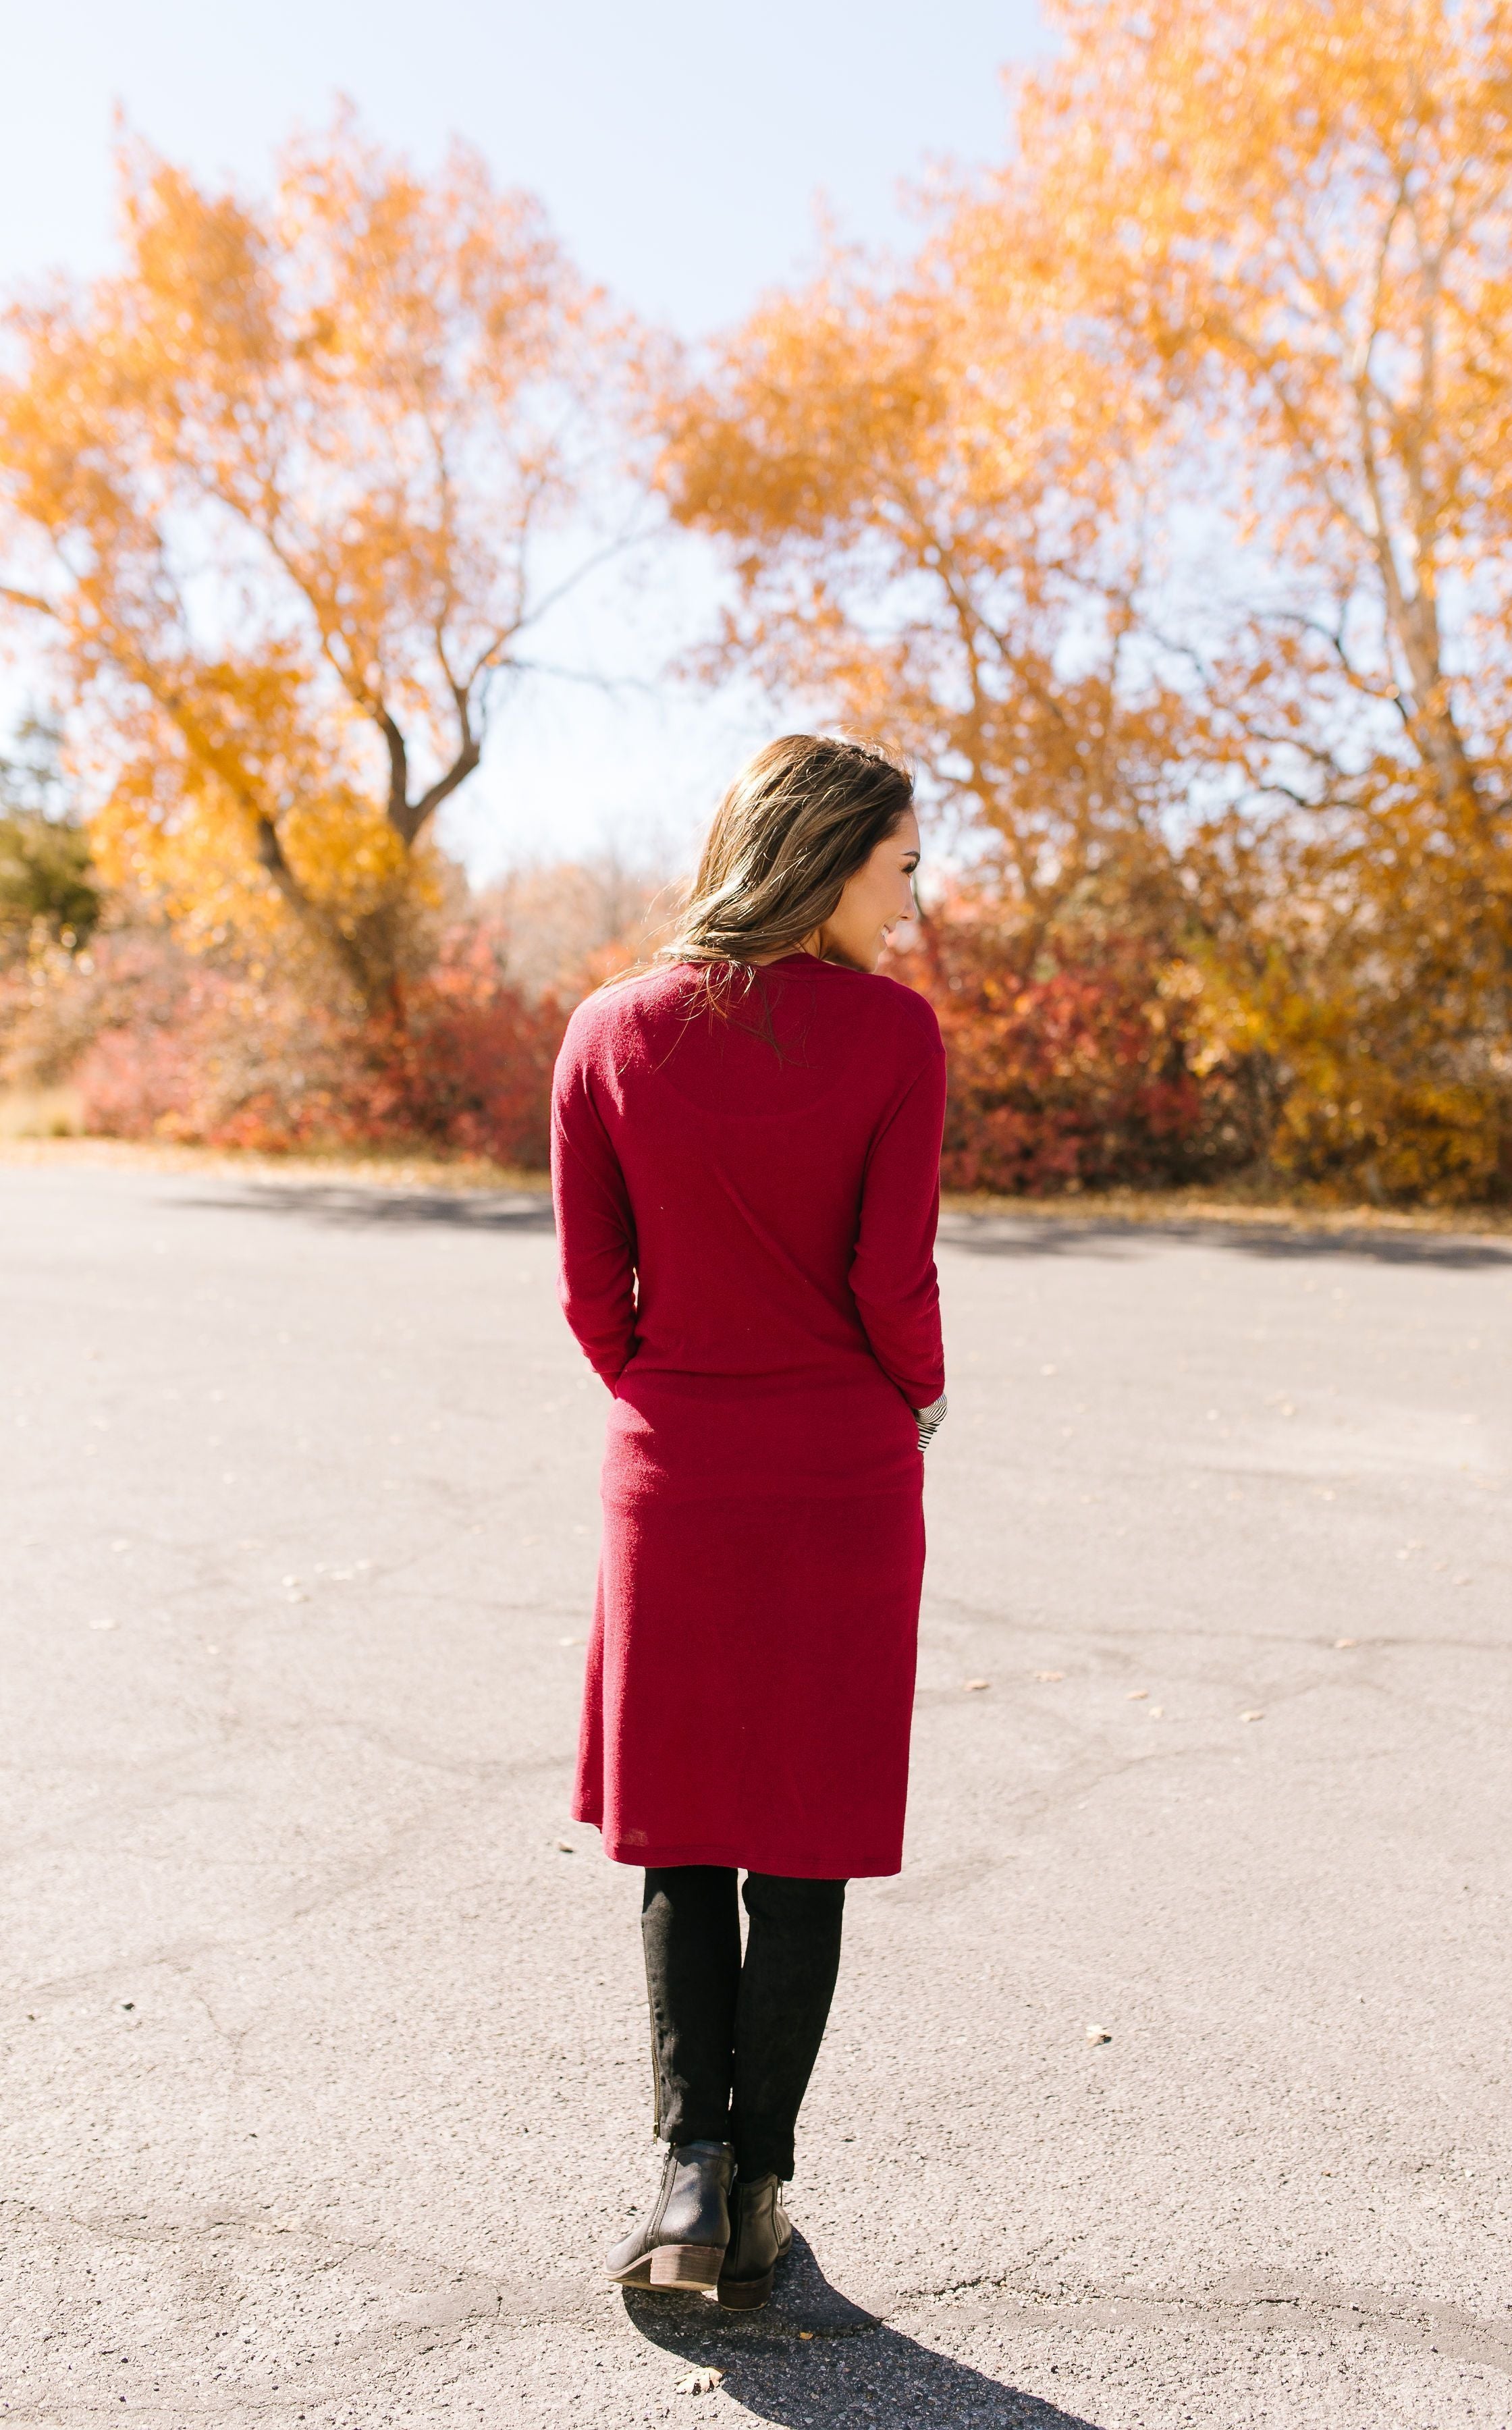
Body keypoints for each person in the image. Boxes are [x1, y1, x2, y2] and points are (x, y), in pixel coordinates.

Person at [549, 733, 948, 2310]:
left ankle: (686, 2183)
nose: (914, 906)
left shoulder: (605, 1030)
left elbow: (595, 1298)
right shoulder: (897, 1040)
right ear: (829, 858)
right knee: (801, 1842)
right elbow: (889, 1279)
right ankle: (762, 2182)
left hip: (676, 1474)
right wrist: (916, 1396)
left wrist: (671, 1397)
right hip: (843, 1472)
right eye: (903, 870)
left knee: (687, 1834)